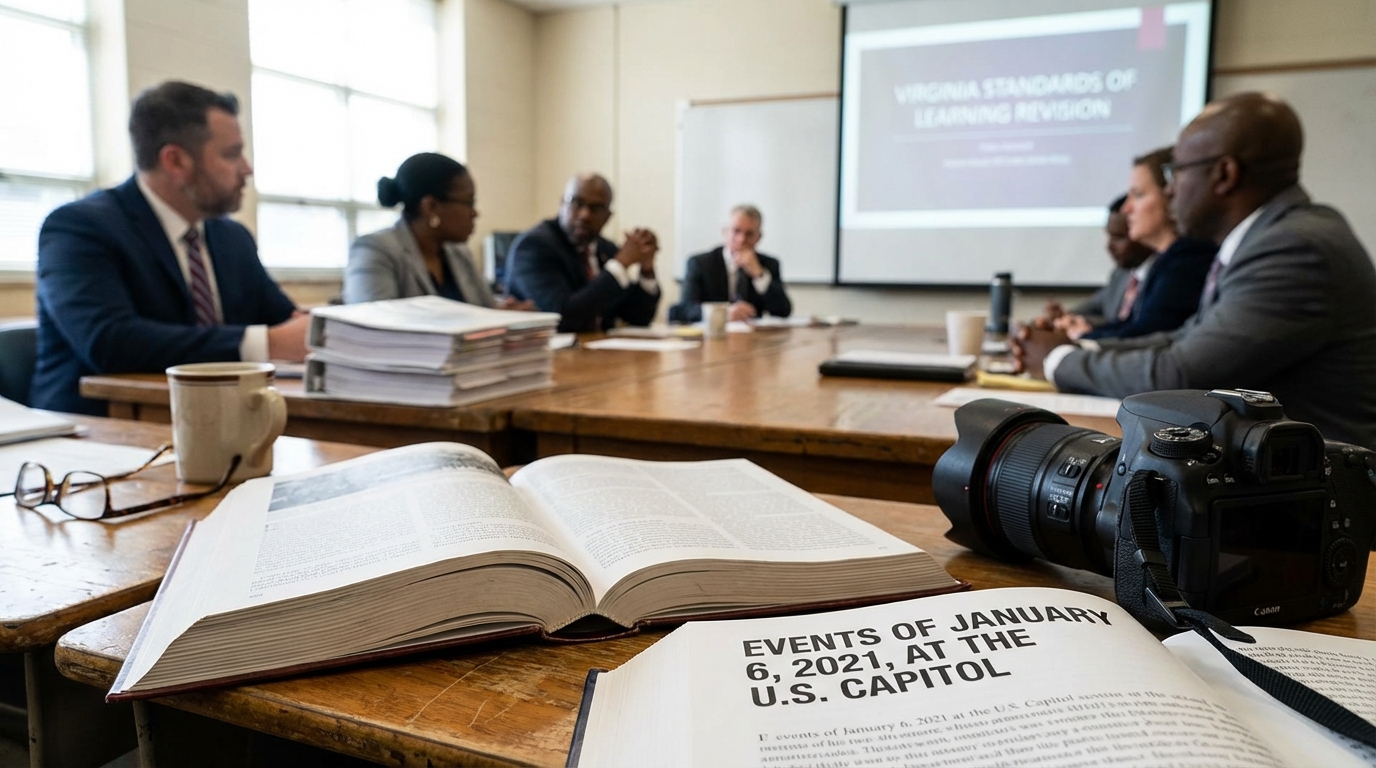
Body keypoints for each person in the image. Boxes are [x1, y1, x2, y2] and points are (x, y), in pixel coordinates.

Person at [1013, 92, 1376, 448]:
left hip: (1318, 488)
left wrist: (1057, 360)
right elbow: (1186, 338)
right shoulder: (1271, 237)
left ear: (1224, 174)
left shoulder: (1293, 248)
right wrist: (1080, 346)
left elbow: (1183, 373)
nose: (1170, 191)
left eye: (1177, 172)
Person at [31, 81, 307, 416]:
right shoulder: (79, 228)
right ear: (176, 161)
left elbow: (284, 321)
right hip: (95, 435)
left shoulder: (231, 238)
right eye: (231, 154)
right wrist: (269, 343)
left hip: (221, 422)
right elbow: (109, 342)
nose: (247, 169)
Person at [1051, 149, 1215, 341]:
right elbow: (1132, 326)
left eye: (1138, 195)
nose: (1126, 209)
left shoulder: (1188, 259)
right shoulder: (1164, 261)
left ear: (1172, 195)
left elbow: (1146, 337)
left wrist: (1080, 340)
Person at [344, 152, 533, 309]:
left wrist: (506, 314)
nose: (475, 213)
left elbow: (485, 312)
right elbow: (372, 327)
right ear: (431, 206)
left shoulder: (459, 254)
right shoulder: (374, 250)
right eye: (468, 202)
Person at [506, 173, 660, 333]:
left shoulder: (605, 250)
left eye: (596, 208)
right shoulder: (534, 247)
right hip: (548, 354)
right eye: (577, 203)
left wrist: (647, 269)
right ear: (562, 205)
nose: (585, 215)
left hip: (597, 353)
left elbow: (639, 317)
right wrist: (620, 265)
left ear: (608, 217)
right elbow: (562, 317)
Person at [1038, 195, 1154, 330]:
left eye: (1119, 237)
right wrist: (1065, 317)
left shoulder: (1163, 278)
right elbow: (1097, 307)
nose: (1109, 246)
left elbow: (1135, 329)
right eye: (1109, 236)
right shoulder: (1121, 275)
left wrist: (1085, 326)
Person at [671, 204, 792, 323]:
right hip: (713, 336)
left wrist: (758, 275)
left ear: (758, 237)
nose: (742, 239)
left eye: (749, 234)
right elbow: (683, 310)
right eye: (736, 231)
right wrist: (723, 313)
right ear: (725, 232)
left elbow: (783, 311)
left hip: (753, 337)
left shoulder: (768, 264)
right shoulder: (700, 263)